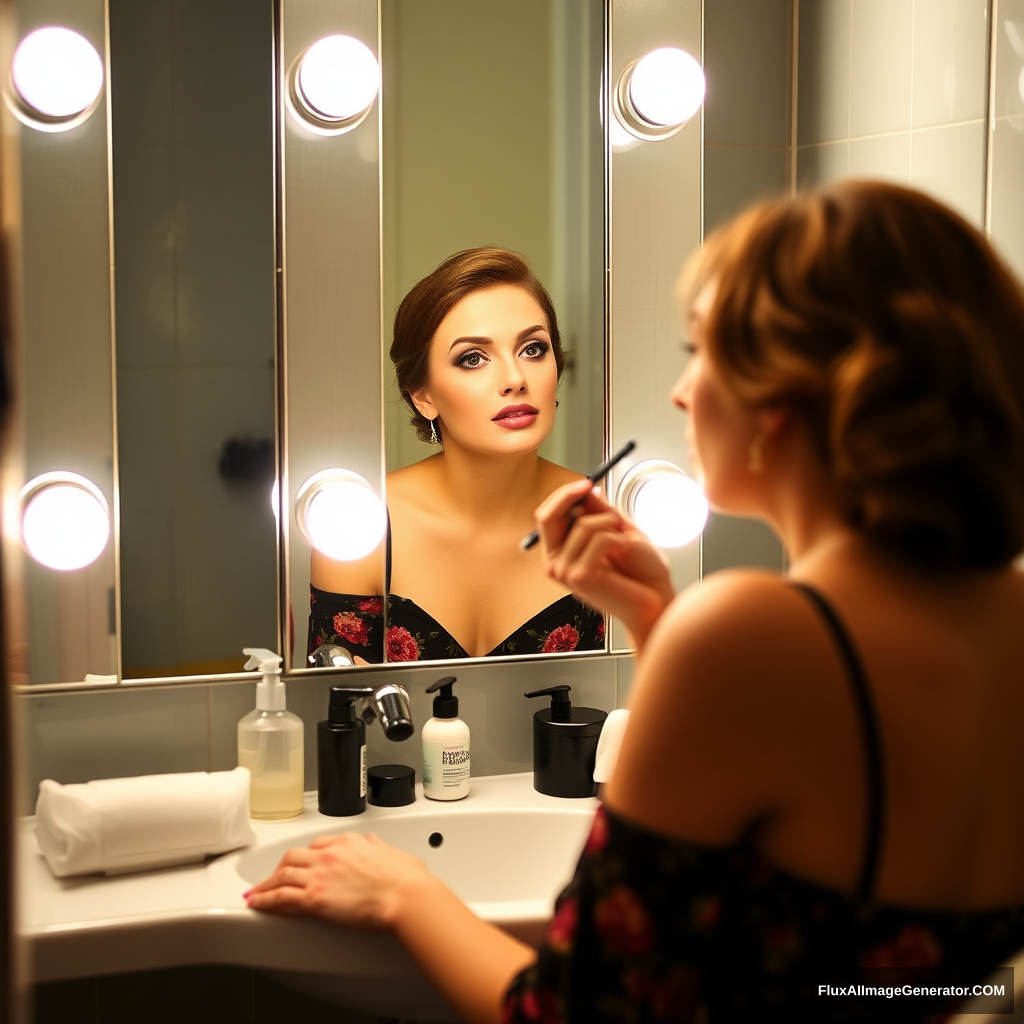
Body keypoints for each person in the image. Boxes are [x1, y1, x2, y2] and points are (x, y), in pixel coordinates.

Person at [251, 182, 1024, 1022]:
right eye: (474, 356)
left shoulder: (750, 627)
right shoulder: (998, 615)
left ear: (792, 396)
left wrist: (407, 893)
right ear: (422, 392)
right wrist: (658, 621)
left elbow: (572, 1013)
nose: (681, 392)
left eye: (705, 351)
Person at [306, 247, 604, 663]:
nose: (516, 378)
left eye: (533, 349)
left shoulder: (606, 520)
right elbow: (332, 710)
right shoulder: (362, 528)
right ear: (423, 396)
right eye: (473, 358)